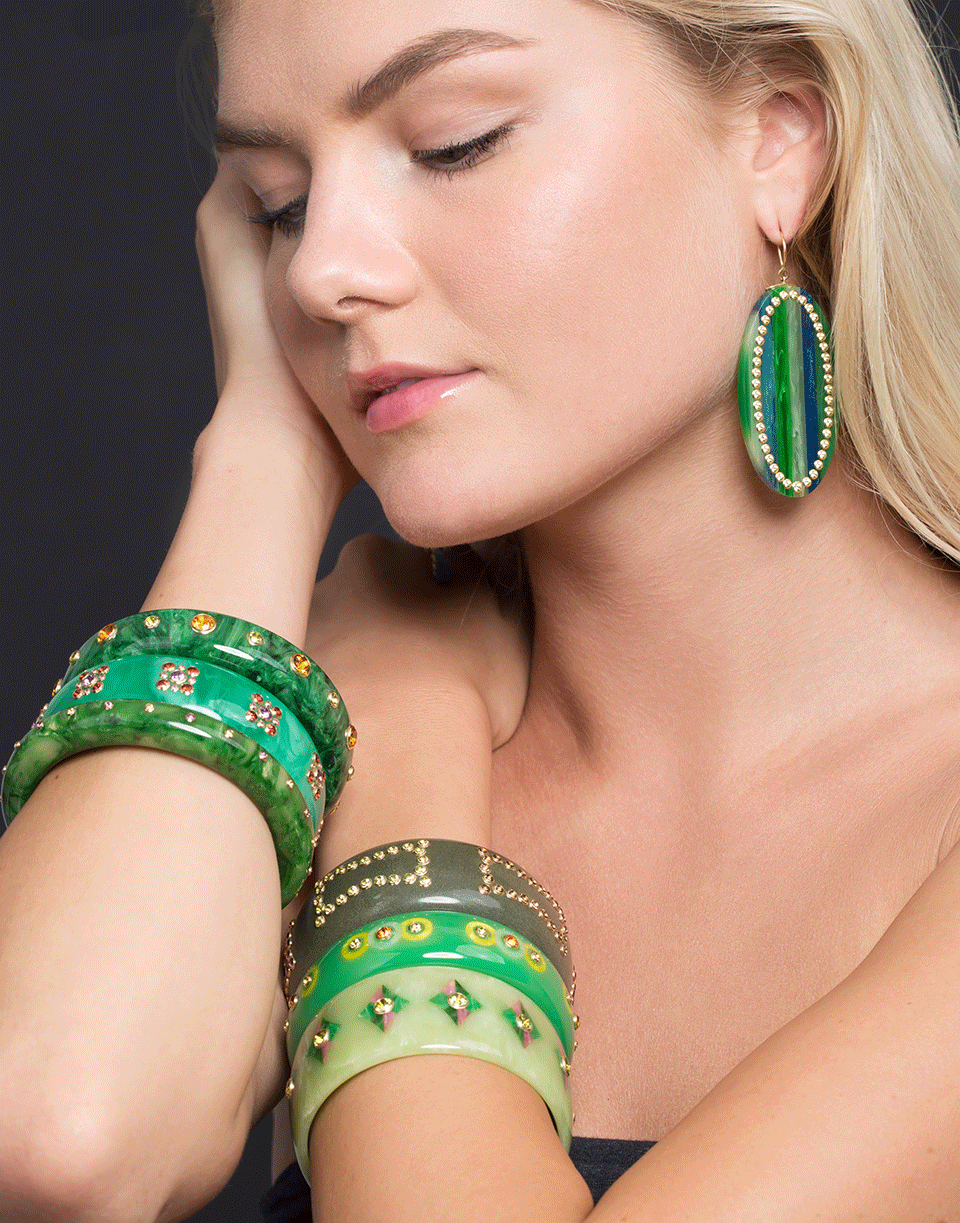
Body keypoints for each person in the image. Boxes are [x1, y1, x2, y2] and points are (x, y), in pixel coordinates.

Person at [2, 0, 959, 1220]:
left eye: (454, 144)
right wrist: (261, 458)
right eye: (280, 205)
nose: (322, 271)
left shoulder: (372, 743)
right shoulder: (274, 774)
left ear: (780, 137)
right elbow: (55, 1128)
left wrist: (401, 754)